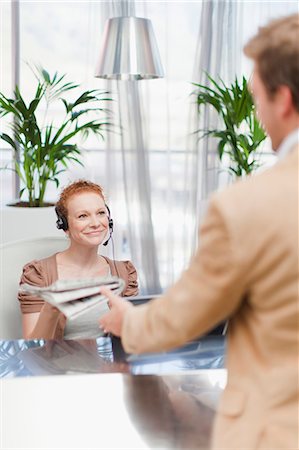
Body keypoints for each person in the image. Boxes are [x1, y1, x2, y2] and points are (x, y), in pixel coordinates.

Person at [99, 14, 299, 449]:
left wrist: (127, 320)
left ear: (283, 99)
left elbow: (180, 320)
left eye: (258, 98)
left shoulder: (248, 205)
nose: (258, 113)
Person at [18, 180, 138, 339]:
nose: (95, 223)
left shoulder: (125, 273)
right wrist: (51, 307)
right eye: (83, 216)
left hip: (111, 364)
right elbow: (32, 348)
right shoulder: (38, 274)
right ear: (65, 225)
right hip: (59, 364)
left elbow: (134, 339)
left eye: (101, 213)